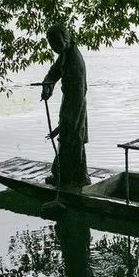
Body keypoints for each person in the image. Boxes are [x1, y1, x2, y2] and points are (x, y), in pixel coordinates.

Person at [41, 25, 90, 187]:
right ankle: (79, 177)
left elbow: (77, 96)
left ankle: (66, 179)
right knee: (72, 140)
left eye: (56, 43)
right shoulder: (65, 54)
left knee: (72, 140)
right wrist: (48, 85)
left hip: (75, 107)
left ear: (66, 38)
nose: (54, 47)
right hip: (69, 103)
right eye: (51, 44)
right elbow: (54, 71)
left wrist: (61, 126)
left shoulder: (74, 62)